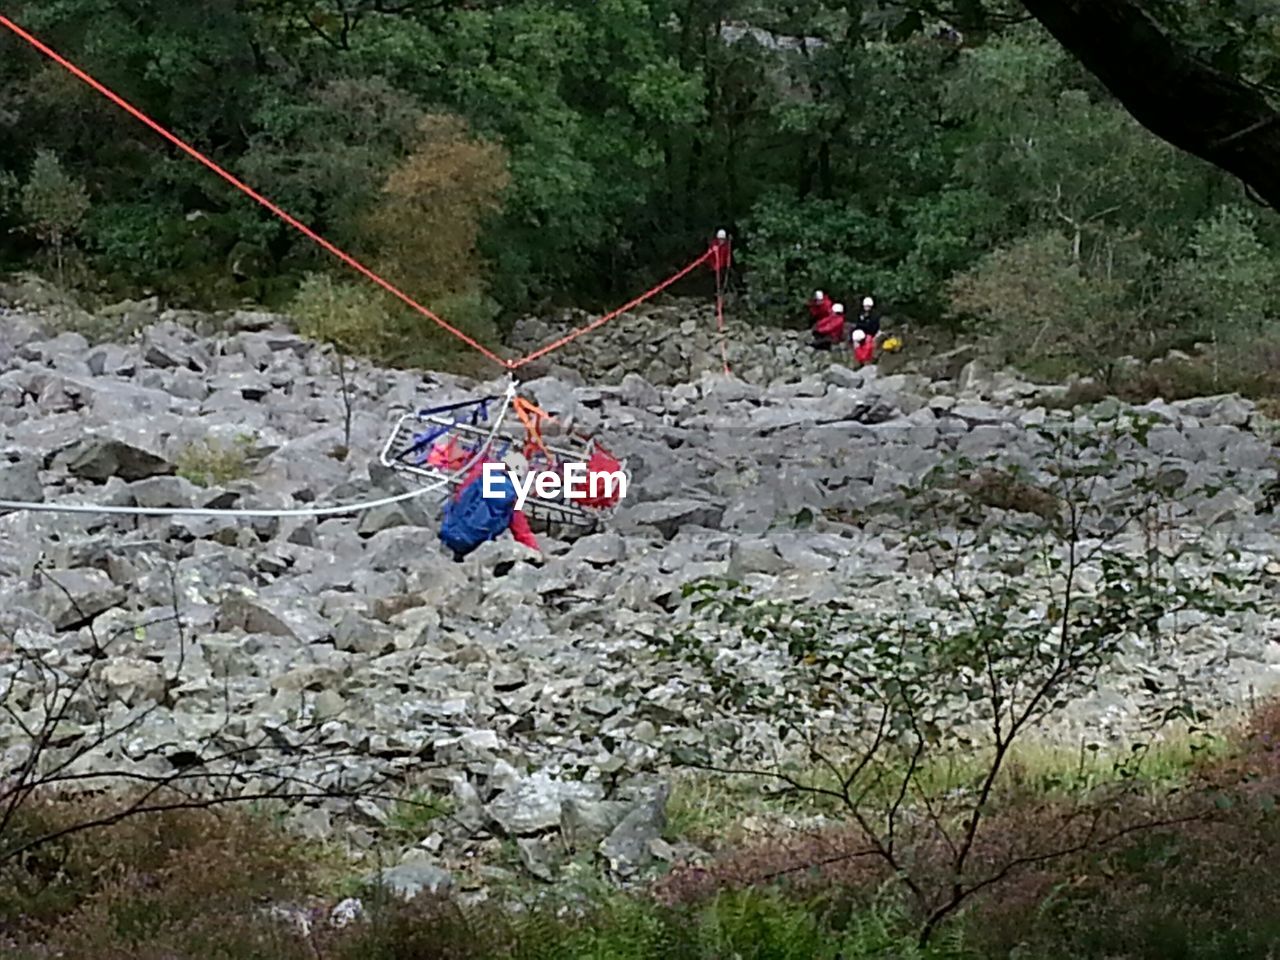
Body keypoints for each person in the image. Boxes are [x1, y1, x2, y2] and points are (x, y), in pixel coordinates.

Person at [439, 449, 540, 561]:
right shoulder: (512, 498)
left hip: (448, 532)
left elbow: (459, 497)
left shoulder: (479, 476)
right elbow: (522, 532)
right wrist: (536, 551)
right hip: (472, 547)